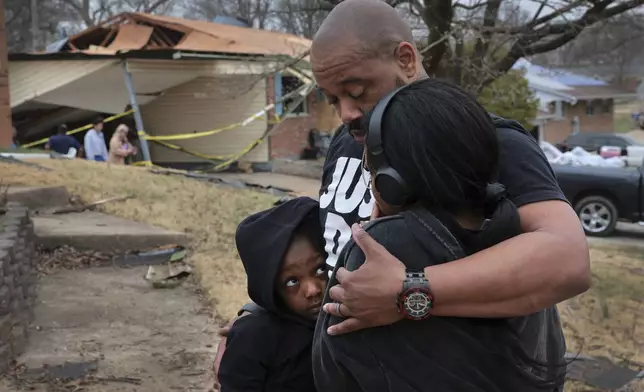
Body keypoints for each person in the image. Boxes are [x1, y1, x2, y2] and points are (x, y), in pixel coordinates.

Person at [213, 0, 590, 383]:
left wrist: (409, 291)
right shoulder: (350, 140)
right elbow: (334, 243)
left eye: (357, 91)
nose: (346, 113)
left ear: (406, 60)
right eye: (332, 99)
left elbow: (567, 259)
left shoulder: (482, 141)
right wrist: (262, 313)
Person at [314, 78, 566, 391]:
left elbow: (332, 370)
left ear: (393, 181)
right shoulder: (520, 238)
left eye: (370, 168)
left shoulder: (382, 245)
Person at [218, 196, 327, 392]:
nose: (312, 290)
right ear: (271, 289)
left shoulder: (343, 320)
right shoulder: (255, 337)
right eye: (292, 281)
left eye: (319, 270)